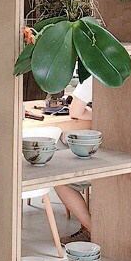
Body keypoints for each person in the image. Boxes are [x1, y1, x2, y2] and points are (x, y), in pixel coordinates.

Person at [56, 77, 93, 244]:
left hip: (100, 156)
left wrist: (100, 112)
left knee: (59, 179)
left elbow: (76, 112)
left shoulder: (93, 76)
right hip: (130, 150)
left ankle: (92, 229)